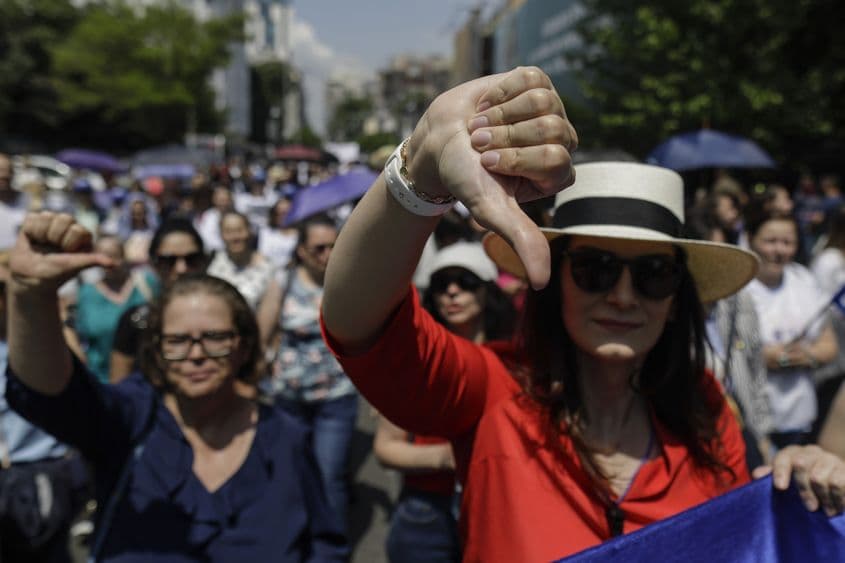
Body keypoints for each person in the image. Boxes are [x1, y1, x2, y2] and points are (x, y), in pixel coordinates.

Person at [321, 67, 845, 561]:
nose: (622, 296)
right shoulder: (494, 392)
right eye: (595, 268)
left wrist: (799, 480)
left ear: (676, 299)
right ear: (556, 281)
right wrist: (421, 168)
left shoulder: (707, 411)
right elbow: (358, 322)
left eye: (653, 274)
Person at [4, 211, 348, 561]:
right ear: (156, 349)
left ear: (243, 346)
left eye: (214, 338)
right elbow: (56, 399)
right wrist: (32, 298)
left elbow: (325, 546)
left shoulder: (286, 437)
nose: (196, 355)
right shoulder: (132, 420)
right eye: (177, 341)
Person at [375, 242, 516, 563]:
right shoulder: (415, 362)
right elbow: (386, 447)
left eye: (465, 282)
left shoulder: (514, 361)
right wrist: (448, 457)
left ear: (487, 291)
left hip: (497, 503)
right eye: (441, 284)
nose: (452, 292)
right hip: (427, 509)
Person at [261, 213, 358, 537]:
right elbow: (262, 334)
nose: (327, 255)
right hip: (288, 398)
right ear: (301, 251)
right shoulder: (283, 281)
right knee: (290, 472)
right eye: (318, 248)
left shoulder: (349, 279)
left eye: (333, 246)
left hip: (337, 398)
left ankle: (331, 546)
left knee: (329, 475)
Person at [744, 206, 839, 449]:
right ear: (750, 239)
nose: (779, 250)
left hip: (800, 416)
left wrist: (803, 356)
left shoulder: (804, 281)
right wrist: (763, 357)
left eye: (788, 242)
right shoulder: (737, 287)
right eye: (770, 241)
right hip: (749, 419)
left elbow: (829, 346)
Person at [110, 217, 208, 383]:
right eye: (168, 261)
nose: (181, 268)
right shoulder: (136, 321)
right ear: (153, 264)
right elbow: (119, 387)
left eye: (192, 259)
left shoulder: (226, 314)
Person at [71, 235, 154, 383]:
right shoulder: (86, 294)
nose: (108, 262)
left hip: (146, 379)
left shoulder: (147, 283)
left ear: (124, 256)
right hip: (101, 381)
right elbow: (75, 332)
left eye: (113, 255)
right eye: (101, 256)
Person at [206, 210, 278, 316]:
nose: (235, 237)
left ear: (249, 231)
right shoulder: (211, 263)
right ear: (221, 234)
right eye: (228, 231)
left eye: (240, 230)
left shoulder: (268, 267)